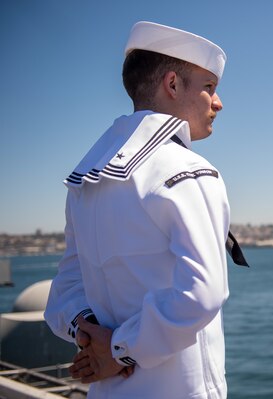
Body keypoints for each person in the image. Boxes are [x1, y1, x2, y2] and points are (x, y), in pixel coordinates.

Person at [44, 21, 247, 399]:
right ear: (172, 84)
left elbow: (64, 293)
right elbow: (202, 294)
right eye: (209, 87)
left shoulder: (88, 179)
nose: (218, 102)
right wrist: (120, 350)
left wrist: (92, 337)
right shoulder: (188, 169)